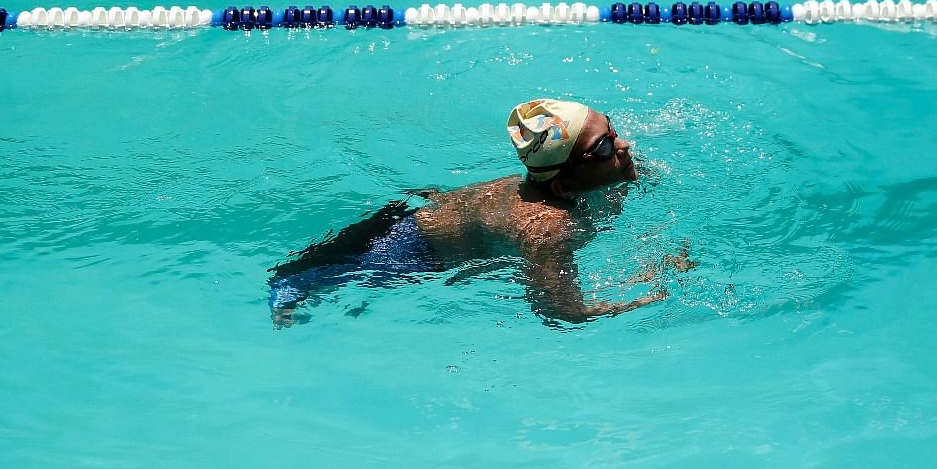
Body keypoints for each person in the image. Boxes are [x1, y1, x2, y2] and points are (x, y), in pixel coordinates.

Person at [268, 98, 694, 327]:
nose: (622, 145)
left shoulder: (560, 185)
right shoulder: (549, 228)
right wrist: (648, 292)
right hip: (407, 250)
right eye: (603, 146)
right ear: (563, 186)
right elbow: (561, 312)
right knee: (300, 283)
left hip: (430, 211)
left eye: (612, 131)